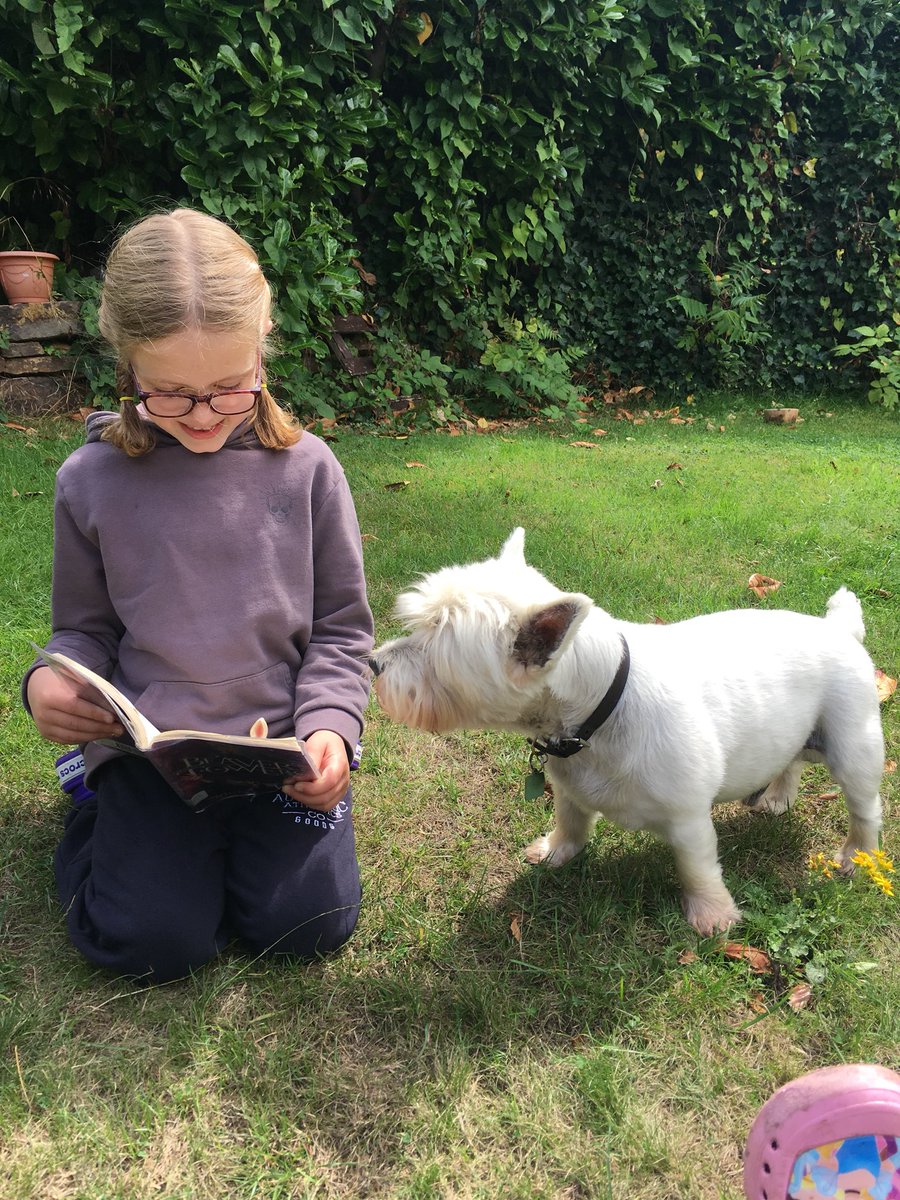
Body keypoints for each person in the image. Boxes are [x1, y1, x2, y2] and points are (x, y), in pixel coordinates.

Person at [22, 208, 374, 983]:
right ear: (127, 366)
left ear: (262, 350)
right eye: (171, 394)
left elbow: (343, 634)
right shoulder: (91, 482)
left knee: (306, 925)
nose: (204, 416)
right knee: (151, 943)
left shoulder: (309, 471)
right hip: (155, 761)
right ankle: (98, 818)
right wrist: (46, 681)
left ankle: (220, 851)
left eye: (228, 389)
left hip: (275, 756)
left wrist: (329, 733)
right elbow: (81, 632)